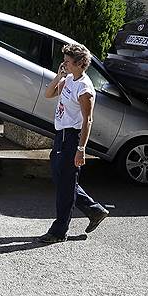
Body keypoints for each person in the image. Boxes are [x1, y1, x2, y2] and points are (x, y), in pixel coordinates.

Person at [39, 43, 109, 244]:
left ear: (79, 64)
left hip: (72, 138)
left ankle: (59, 231)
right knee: (61, 179)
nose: (64, 64)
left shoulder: (85, 89)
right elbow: (49, 94)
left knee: (65, 186)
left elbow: (87, 120)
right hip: (60, 135)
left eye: (68, 62)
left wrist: (81, 149)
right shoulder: (69, 79)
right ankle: (93, 210)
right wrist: (59, 75)